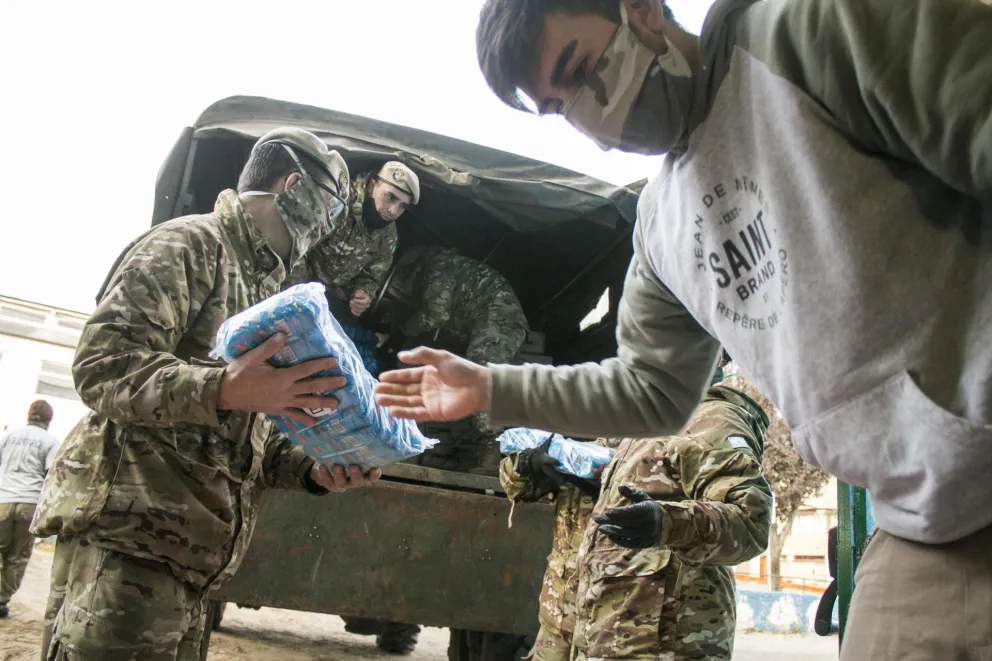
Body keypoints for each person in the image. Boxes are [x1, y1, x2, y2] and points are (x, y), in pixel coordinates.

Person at [376, 0, 992, 658]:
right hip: (922, 524)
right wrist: (489, 386)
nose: (591, 114)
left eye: (580, 68)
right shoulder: (663, 226)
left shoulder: (808, 33)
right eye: (561, 107)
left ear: (639, 9)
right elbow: (650, 389)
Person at [32, 127, 381, 661]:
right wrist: (222, 386)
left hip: (191, 563)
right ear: (292, 186)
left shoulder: (267, 292)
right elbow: (102, 366)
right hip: (128, 544)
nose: (330, 226)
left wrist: (314, 467)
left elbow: (243, 431)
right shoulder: (188, 246)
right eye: (331, 206)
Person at [502, 374, 771, 661]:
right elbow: (526, 481)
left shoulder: (715, 419)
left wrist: (665, 522)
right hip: (580, 632)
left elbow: (750, 525)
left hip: (658, 646)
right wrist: (526, 466)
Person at [394, 245, 529, 471]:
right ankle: (473, 453)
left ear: (413, 268)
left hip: (498, 320)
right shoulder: (445, 266)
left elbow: (435, 314)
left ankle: (494, 451)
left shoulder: (438, 268)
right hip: (491, 320)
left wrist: (402, 331)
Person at [288, 161, 420, 318]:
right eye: (390, 197)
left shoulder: (388, 235)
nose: (393, 211)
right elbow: (293, 243)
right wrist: (300, 291)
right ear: (372, 186)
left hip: (326, 296)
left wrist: (363, 292)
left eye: (402, 206)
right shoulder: (338, 200)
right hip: (293, 283)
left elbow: (372, 275)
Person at [0, 400, 60, 619]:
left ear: (29, 414)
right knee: (18, 556)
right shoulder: (50, 441)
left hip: (3, 500)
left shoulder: (9, 436)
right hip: (30, 503)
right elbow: (51, 475)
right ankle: (1, 601)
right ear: (48, 420)